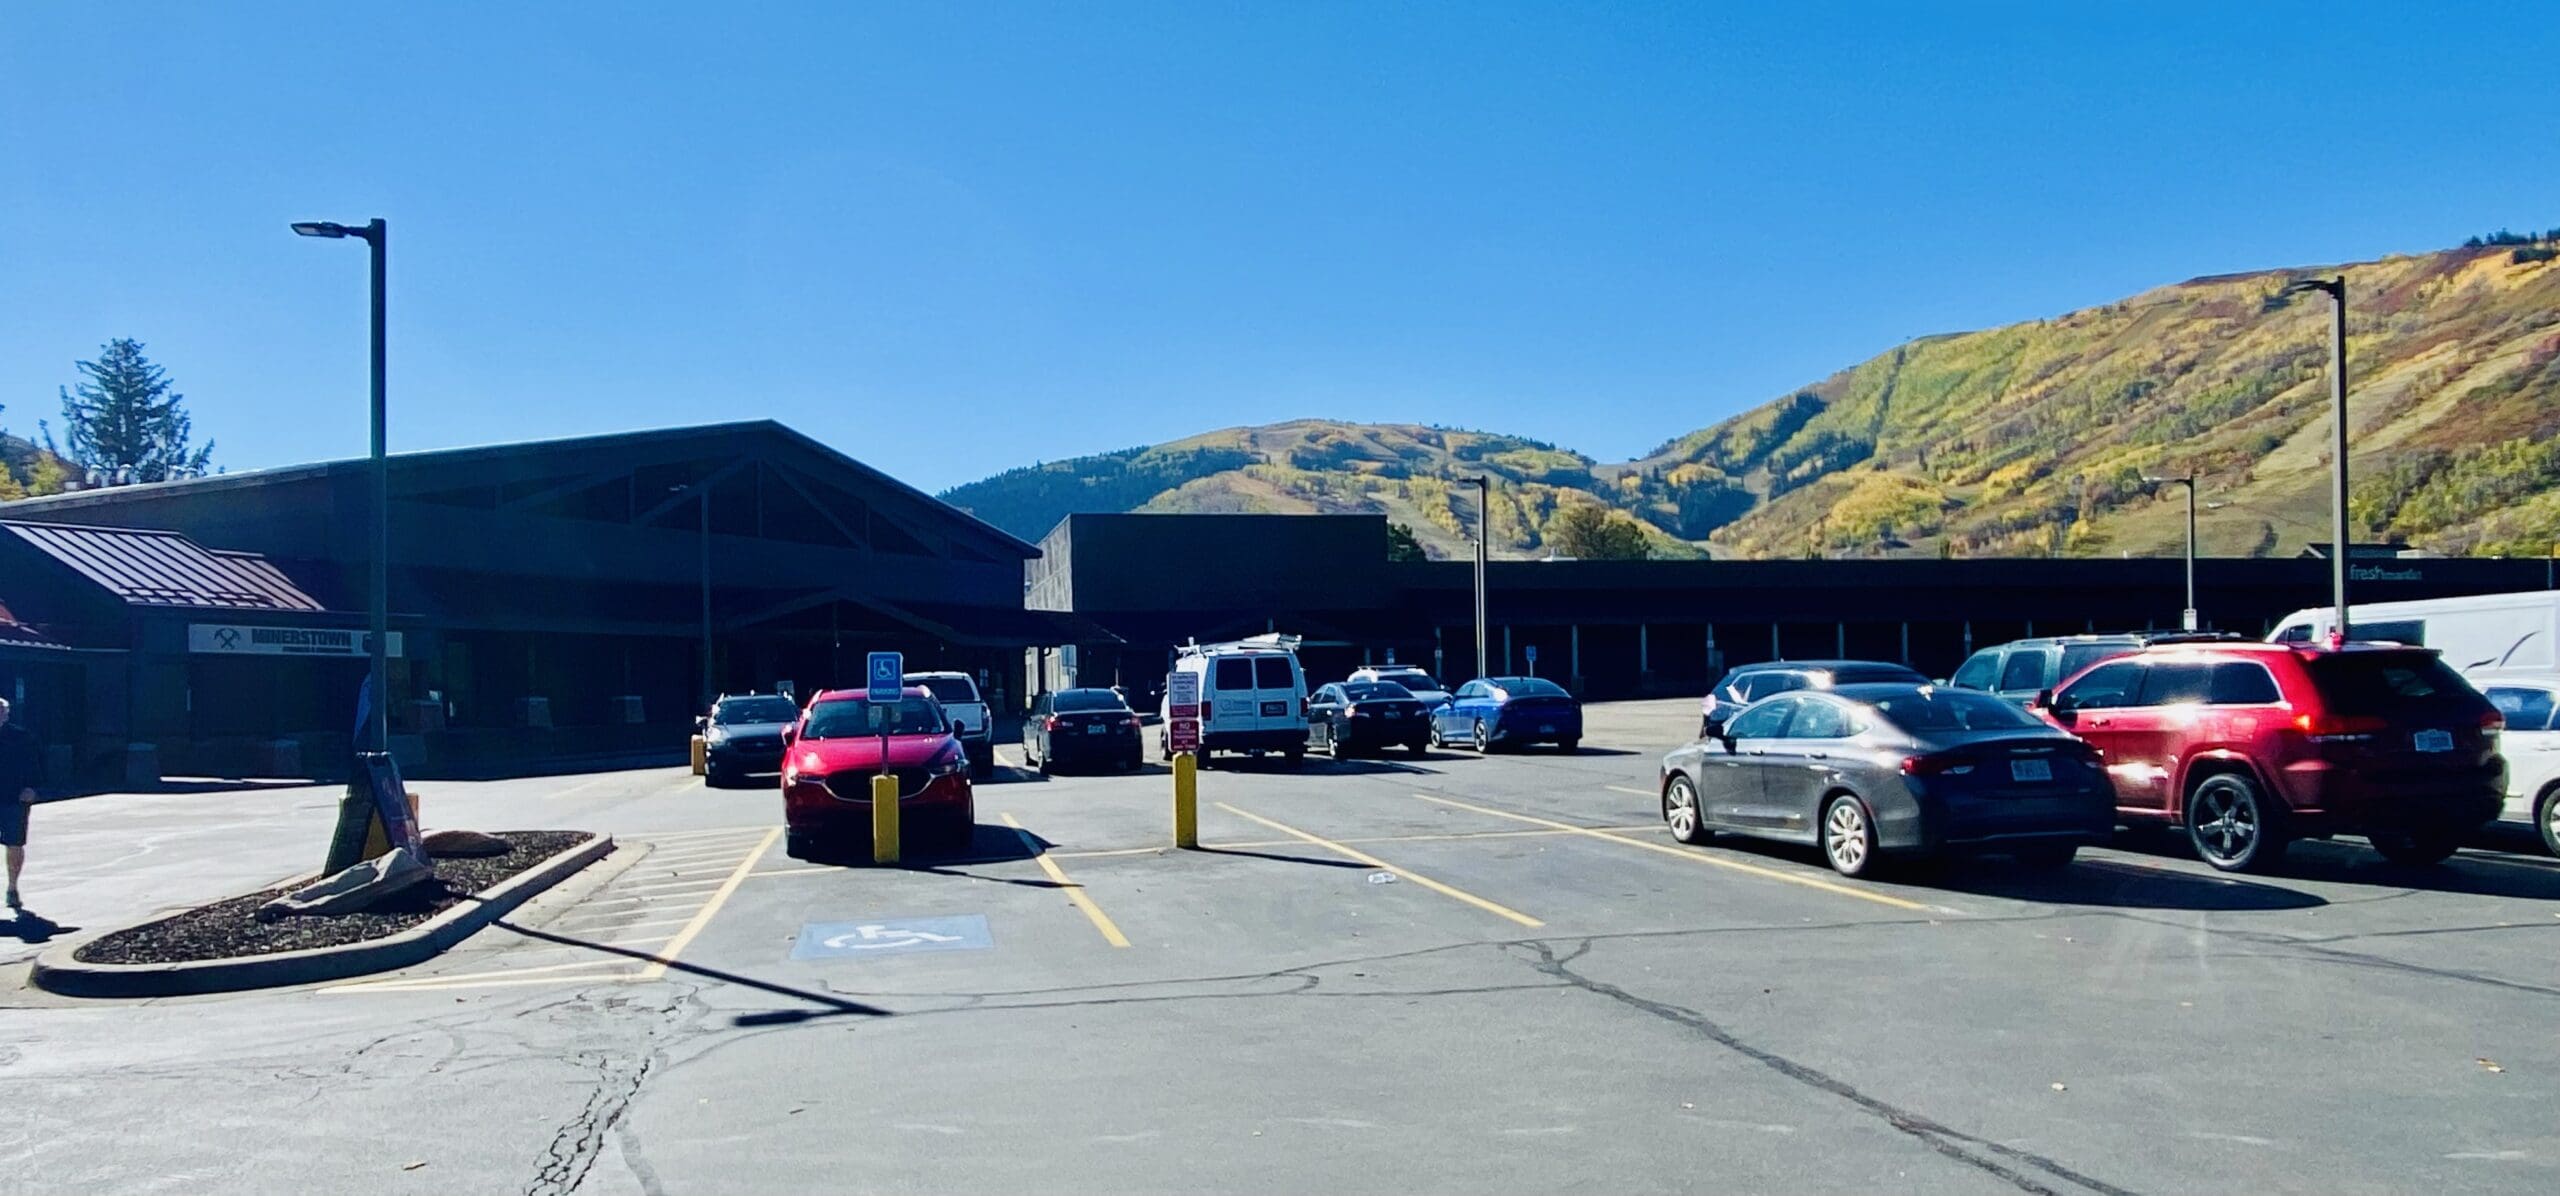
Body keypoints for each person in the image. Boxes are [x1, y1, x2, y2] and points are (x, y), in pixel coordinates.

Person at [0, 697, 38, 910]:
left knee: (14, 844)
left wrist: (31, 787)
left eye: (0, 711)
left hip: (13, 798)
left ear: (6, 714)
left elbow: (34, 764)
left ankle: (12, 887)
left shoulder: (21, 737)